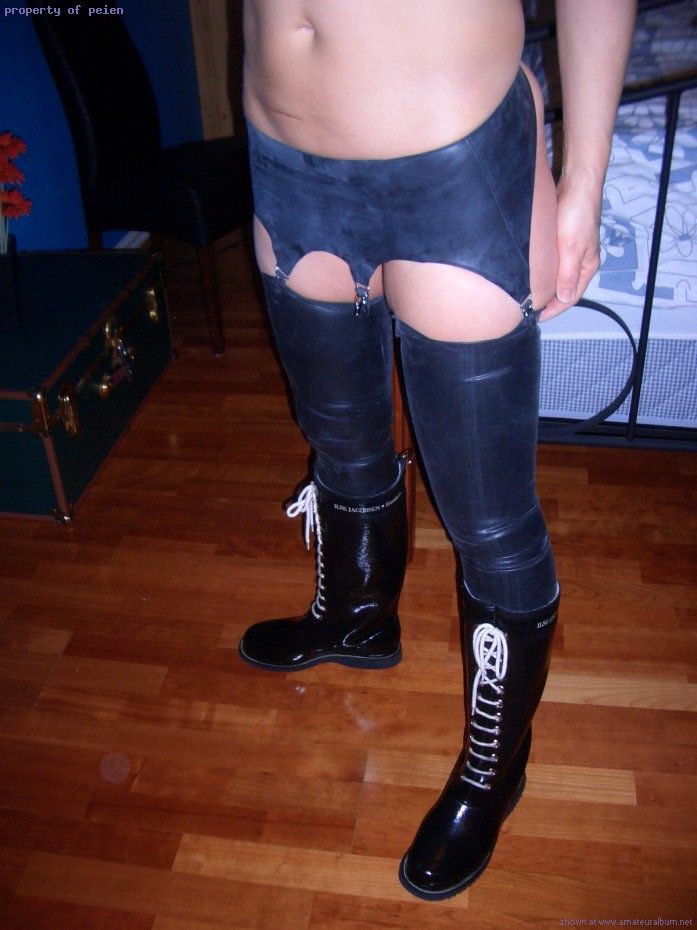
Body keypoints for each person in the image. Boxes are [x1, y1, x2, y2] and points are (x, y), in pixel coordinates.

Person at [238, 0, 637, 901]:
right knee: (339, 443)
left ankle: (496, 765)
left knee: (488, 520)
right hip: (281, 148)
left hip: (454, 162)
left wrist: (582, 182)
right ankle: (356, 617)